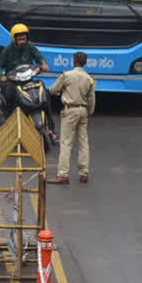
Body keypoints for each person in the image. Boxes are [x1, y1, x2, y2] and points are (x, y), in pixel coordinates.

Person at [47, 51, 96, 184]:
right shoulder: (89, 79)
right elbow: (92, 100)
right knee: (83, 143)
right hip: (83, 111)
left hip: (70, 110)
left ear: (74, 61)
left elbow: (52, 90)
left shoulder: (67, 75)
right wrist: (88, 112)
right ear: (85, 63)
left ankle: (63, 174)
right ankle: (84, 173)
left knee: (66, 143)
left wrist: (60, 91)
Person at [0, 24, 54, 130]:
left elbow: (39, 56)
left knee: (43, 91)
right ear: (14, 39)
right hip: (14, 81)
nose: (22, 41)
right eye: (20, 39)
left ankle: (51, 125)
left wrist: (44, 64)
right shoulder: (8, 50)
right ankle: (7, 115)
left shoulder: (30, 46)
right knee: (9, 93)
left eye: (24, 39)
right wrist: (1, 76)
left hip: (28, 79)